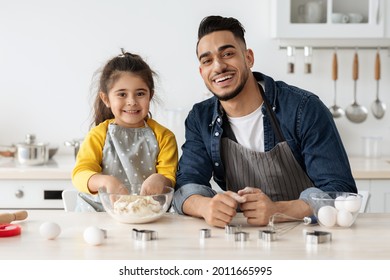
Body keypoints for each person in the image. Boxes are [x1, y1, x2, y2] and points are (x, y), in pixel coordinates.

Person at [172, 15, 357, 227]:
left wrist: (278, 210)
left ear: (248, 58)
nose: (218, 66)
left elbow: (340, 191)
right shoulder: (200, 118)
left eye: (228, 54)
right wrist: (205, 206)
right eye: (207, 61)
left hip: (308, 234)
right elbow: (186, 186)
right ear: (202, 72)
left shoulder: (303, 108)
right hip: (245, 236)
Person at [72, 49, 178, 211]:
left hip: (145, 214)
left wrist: (161, 179)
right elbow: (80, 174)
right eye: (122, 94)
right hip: (101, 214)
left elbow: (169, 176)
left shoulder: (164, 137)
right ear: (106, 99)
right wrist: (105, 181)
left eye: (140, 94)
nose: (132, 102)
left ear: (150, 95)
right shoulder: (98, 135)